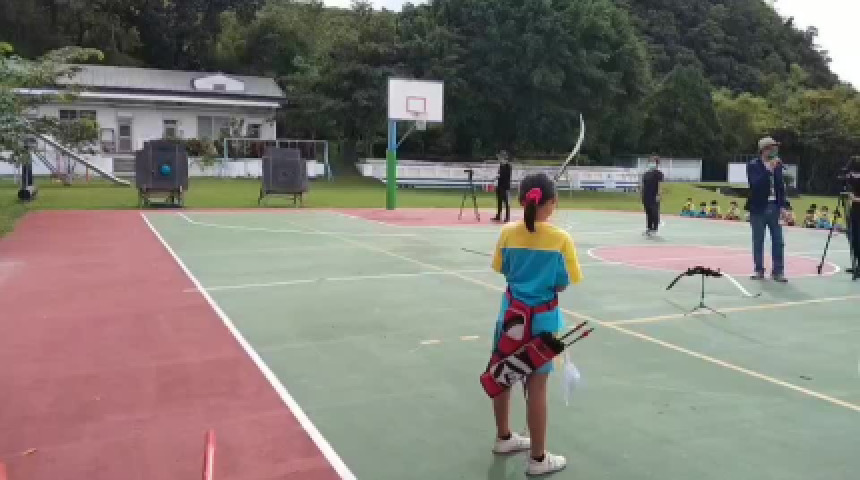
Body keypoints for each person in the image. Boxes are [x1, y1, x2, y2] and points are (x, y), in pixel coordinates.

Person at [489, 172, 583, 476]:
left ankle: (504, 437)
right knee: (537, 386)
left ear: (521, 200)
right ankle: (538, 459)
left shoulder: (507, 233)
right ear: (552, 203)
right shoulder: (561, 239)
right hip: (541, 321)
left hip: (510, 316)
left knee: (503, 375)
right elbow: (563, 283)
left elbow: (502, 269)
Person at [747, 137, 787, 282]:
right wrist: (768, 170)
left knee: (778, 240)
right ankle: (759, 270)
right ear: (764, 149)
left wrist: (783, 206)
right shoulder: (753, 165)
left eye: (775, 147)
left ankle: (778, 271)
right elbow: (755, 185)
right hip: (758, 208)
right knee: (758, 240)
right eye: (772, 147)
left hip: (774, 207)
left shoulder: (777, 165)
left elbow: (780, 187)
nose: (775, 150)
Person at [641, 156, 664, 236]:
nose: (651, 163)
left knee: (654, 212)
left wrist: (659, 194)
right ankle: (649, 228)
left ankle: (655, 229)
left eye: (653, 161)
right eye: (650, 161)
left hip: (654, 196)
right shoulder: (646, 174)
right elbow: (643, 185)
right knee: (648, 213)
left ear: (657, 163)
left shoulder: (659, 174)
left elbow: (660, 185)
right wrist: (641, 194)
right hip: (646, 196)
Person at [492, 150, 513, 223]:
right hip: (500, 185)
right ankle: (498, 215)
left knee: (506, 202)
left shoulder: (508, 166)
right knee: (499, 201)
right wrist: (497, 177)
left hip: (505, 187)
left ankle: (507, 217)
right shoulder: (501, 166)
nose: (500, 159)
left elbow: (505, 176)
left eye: (501, 157)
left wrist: (499, 176)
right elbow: (499, 174)